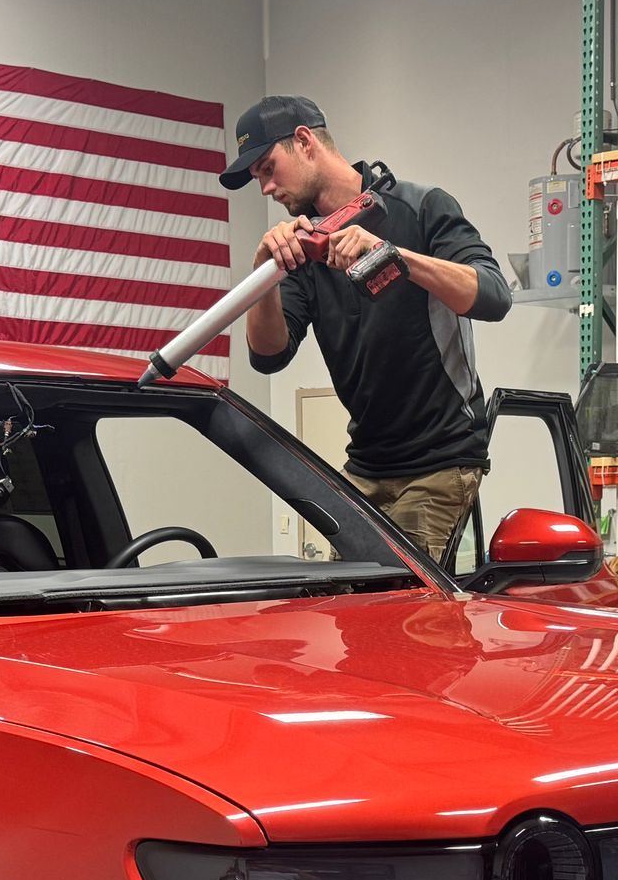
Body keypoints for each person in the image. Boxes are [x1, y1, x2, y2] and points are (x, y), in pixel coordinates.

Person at [219, 95, 511, 561]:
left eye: (268, 168)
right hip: (364, 465)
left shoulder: (421, 207)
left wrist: (394, 254)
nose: (266, 188)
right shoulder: (303, 246)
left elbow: (494, 296)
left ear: (304, 141)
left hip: (438, 462)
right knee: (349, 616)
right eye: (257, 179)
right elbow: (268, 356)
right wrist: (263, 274)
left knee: (401, 620)